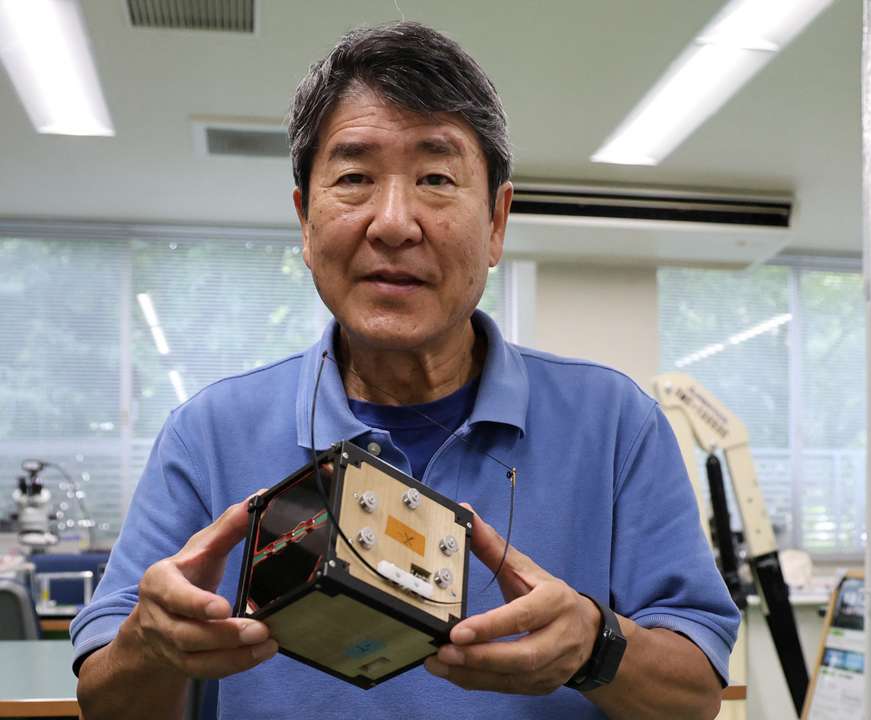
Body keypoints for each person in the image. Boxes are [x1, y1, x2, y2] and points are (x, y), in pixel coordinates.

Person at [71, 21, 738, 719]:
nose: (393, 222)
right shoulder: (208, 435)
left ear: (497, 224)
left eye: (436, 178)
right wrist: (151, 646)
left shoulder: (615, 424)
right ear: (305, 221)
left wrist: (595, 648)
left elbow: (694, 696)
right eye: (355, 177)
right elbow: (106, 700)